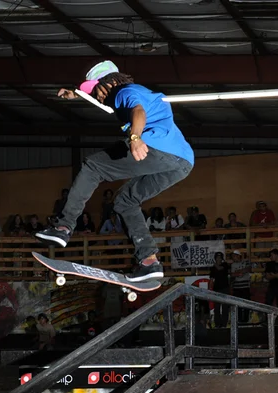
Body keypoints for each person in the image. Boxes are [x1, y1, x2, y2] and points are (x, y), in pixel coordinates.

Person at [34, 60, 194, 282]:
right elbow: (110, 102)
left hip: (155, 148)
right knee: (124, 202)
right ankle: (149, 261)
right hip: (182, 162)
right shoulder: (131, 93)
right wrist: (77, 94)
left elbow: (138, 111)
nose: (98, 98)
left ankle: (63, 226)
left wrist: (135, 138)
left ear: (108, 83)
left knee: (93, 166)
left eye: (96, 92)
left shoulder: (124, 92)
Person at [209, 252, 230, 328]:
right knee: (217, 308)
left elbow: (219, 268)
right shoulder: (213, 268)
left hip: (225, 288)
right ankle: (217, 324)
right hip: (216, 289)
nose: (219, 259)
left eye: (220, 257)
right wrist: (210, 289)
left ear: (222, 258)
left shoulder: (225, 265)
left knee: (225, 307)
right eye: (217, 257)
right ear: (215, 258)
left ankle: (224, 324)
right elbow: (211, 278)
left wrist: (214, 264)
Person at [230, 250, 251, 323]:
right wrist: (241, 271)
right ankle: (239, 319)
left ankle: (245, 320)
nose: (233, 258)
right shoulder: (233, 265)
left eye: (234, 256)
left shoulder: (246, 261)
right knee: (237, 304)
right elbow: (232, 274)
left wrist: (238, 272)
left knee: (246, 304)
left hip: (244, 286)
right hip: (237, 287)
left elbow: (248, 269)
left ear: (238, 256)